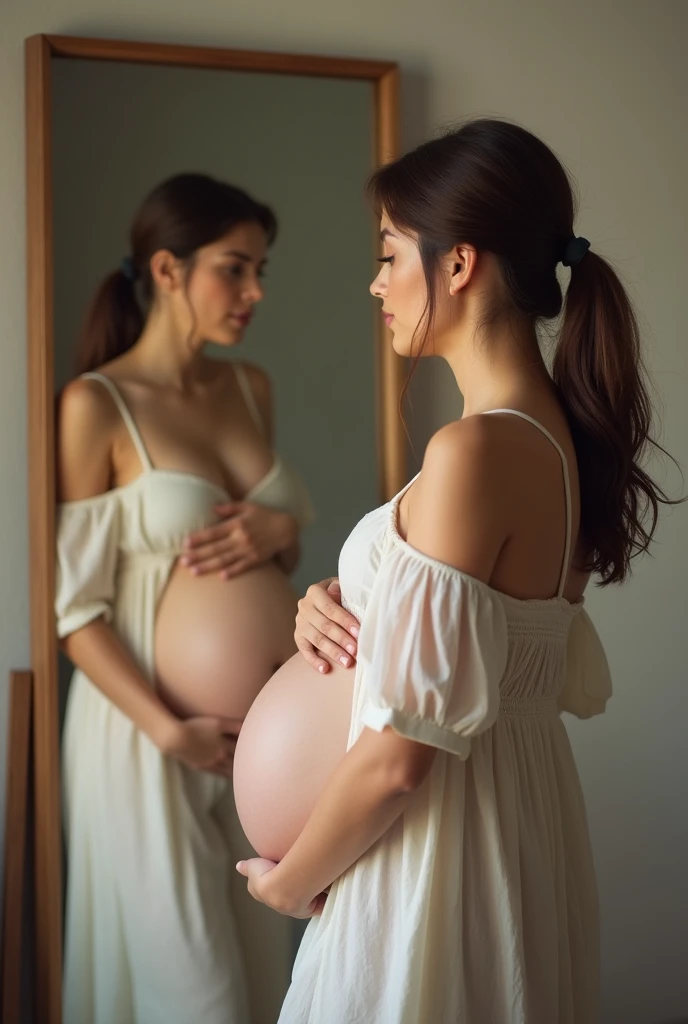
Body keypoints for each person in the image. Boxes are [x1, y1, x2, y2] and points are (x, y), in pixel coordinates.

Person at [236, 119, 676, 1023]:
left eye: (391, 253)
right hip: (494, 835)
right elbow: (474, 651)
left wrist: (294, 887)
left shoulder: (477, 449)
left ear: (460, 263)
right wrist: (339, 603)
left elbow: (402, 758)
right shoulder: (553, 439)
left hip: (433, 853)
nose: (377, 283)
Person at [55, 173, 313, 1024]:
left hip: (260, 746)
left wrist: (282, 533)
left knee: (257, 975)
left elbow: (261, 553)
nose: (255, 292)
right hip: (148, 734)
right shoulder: (97, 405)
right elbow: (75, 610)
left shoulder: (252, 389)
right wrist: (170, 727)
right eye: (234, 269)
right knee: (189, 993)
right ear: (167, 270)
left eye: (259, 270)